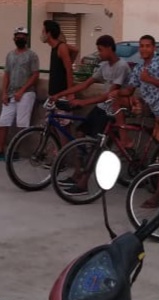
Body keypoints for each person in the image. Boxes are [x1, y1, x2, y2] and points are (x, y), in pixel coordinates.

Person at [51, 35, 130, 195]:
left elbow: (110, 95)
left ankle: (83, 184)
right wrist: (61, 94)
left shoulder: (122, 66)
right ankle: (78, 172)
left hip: (113, 110)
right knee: (80, 134)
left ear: (109, 48)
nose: (99, 53)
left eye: (100, 50)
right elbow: (85, 84)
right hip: (101, 108)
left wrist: (84, 102)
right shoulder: (104, 66)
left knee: (96, 145)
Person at [113, 34, 159, 151]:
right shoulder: (138, 68)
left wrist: (149, 79)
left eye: (147, 46)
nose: (144, 49)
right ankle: (124, 139)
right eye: (141, 46)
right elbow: (129, 90)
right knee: (116, 100)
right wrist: (116, 92)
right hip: (147, 105)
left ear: (154, 48)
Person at [0, 27, 39, 162]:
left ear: (27, 38)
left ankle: (15, 151)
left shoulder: (32, 55)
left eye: (23, 36)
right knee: (3, 121)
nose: (20, 38)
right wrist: (4, 93)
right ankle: (0, 150)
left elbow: (35, 75)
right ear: (14, 38)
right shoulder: (10, 55)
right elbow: (7, 74)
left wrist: (22, 91)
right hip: (10, 94)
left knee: (21, 124)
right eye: (18, 36)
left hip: (26, 93)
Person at [45, 19, 75, 99]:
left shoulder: (61, 47)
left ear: (48, 33)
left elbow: (69, 70)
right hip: (53, 93)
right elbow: (76, 50)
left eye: (43, 31)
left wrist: (70, 92)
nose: (42, 34)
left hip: (61, 94)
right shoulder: (55, 47)